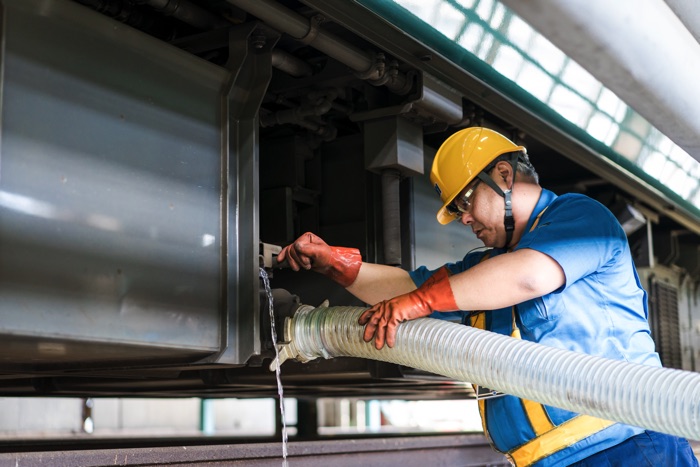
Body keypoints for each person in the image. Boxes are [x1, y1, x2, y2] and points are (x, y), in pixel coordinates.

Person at [277, 127, 698, 466]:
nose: (463, 218)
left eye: (464, 200)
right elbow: (410, 287)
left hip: (630, 450)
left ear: (503, 175)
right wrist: (336, 265)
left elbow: (529, 276)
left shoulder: (580, 217)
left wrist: (423, 302)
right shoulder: (487, 267)